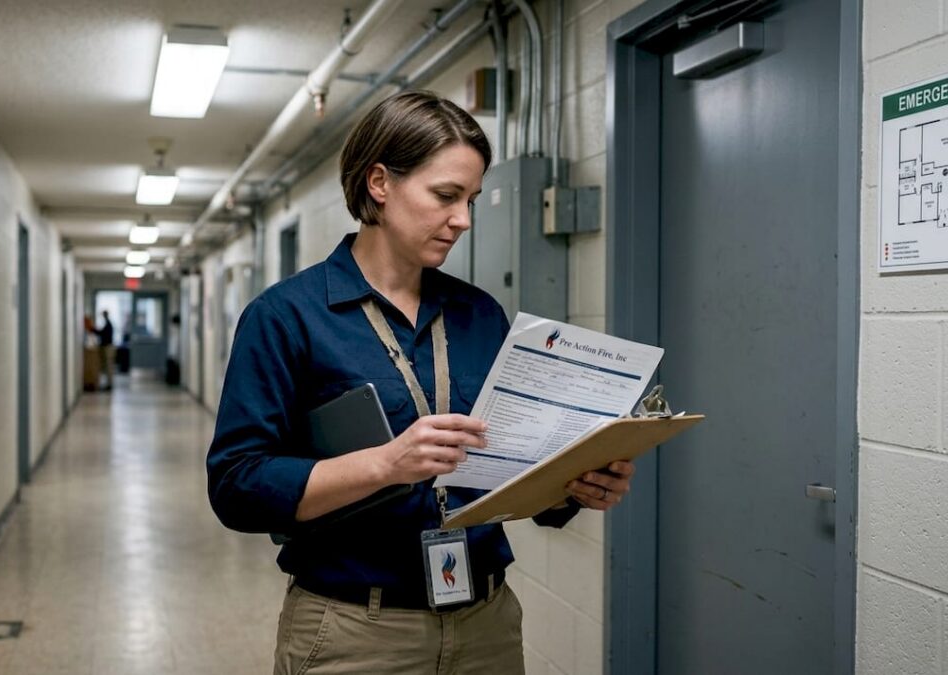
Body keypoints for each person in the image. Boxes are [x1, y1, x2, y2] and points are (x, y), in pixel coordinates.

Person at [206, 90, 635, 675]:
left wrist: (572, 485)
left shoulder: (480, 315)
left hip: (486, 624)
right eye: (445, 195)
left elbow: (512, 468)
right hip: (356, 630)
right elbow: (237, 486)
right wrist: (385, 464)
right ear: (380, 183)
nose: (463, 219)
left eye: (471, 200)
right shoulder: (286, 317)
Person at [93, 310, 115, 390]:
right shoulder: (107, 324)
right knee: (107, 366)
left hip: (108, 347)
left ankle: (110, 384)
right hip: (107, 347)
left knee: (109, 366)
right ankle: (108, 383)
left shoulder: (108, 324)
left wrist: (92, 329)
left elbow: (102, 333)